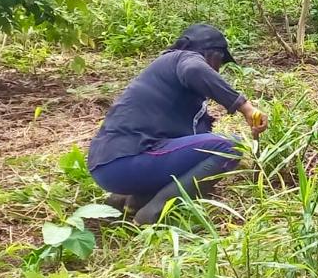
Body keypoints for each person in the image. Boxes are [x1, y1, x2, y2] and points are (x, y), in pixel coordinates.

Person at [86, 24, 268, 225]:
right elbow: (194, 68)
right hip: (128, 158)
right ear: (209, 53)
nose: (217, 69)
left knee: (218, 147)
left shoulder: (169, 83)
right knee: (229, 147)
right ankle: (154, 213)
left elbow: (190, 152)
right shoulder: (183, 58)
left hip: (108, 165)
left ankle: (129, 201)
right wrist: (246, 107)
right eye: (219, 61)